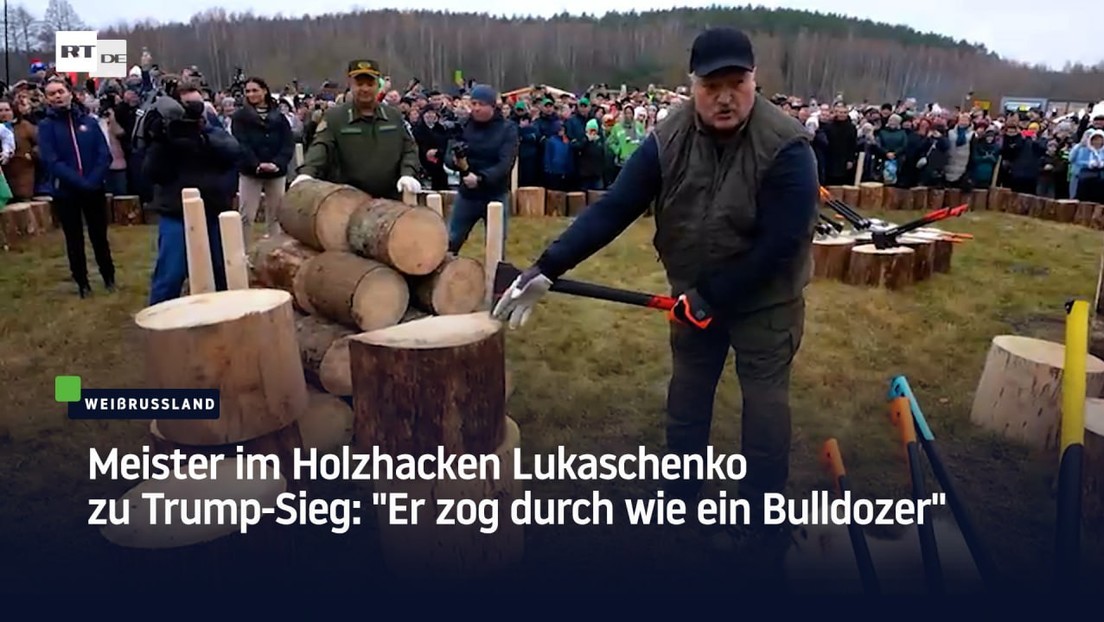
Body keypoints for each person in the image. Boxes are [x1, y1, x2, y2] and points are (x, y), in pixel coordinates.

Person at [493, 27, 818, 552]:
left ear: (755, 82)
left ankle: (761, 514)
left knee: (764, 406)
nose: (725, 96)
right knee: (687, 396)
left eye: (738, 82)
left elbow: (783, 243)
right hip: (692, 297)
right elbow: (618, 206)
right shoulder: (667, 139)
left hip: (766, 300)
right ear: (693, 86)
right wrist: (548, 266)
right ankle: (681, 498)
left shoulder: (788, 147)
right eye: (713, 85)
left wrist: (716, 295)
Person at [144, 80, 240, 305]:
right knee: (170, 275)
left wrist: (201, 136)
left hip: (214, 210)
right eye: (187, 104)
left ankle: (226, 318)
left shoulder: (212, 132)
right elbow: (152, 173)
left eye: (198, 104)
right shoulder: (165, 137)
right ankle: (160, 322)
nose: (193, 110)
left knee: (222, 270)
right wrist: (163, 140)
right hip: (177, 213)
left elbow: (233, 153)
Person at [293, 59, 421, 200]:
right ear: (350, 84)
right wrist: (307, 173)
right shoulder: (335, 117)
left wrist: (408, 174)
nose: (365, 89)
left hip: (390, 199)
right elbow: (321, 147)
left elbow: (409, 148)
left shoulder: (393, 116)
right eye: (359, 84)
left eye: (370, 84)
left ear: (378, 85)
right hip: (346, 201)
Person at [37, 77, 116, 298]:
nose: (57, 96)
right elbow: (51, 161)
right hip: (67, 191)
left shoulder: (89, 122)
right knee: (74, 239)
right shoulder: (46, 127)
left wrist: (93, 181)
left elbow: (104, 154)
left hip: (94, 188)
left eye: (60, 91)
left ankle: (109, 277)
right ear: (47, 99)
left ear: (70, 93)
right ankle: (82, 282)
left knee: (99, 235)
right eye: (51, 93)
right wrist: (80, 183)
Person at [442, 84, 518, 254]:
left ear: (492, 106)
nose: (476, 108)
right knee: (451, 240)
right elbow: (448, 156)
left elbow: (505, 164)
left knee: (496, 245)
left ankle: (495, 278)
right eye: (473, 103)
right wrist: (456, 162)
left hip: (495, 195)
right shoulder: (463, 126)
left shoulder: (507, 129)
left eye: (481, 104)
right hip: (467, 196)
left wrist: (480, 178)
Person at [232, 77, 294, 244]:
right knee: (246, 216)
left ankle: (275, 251)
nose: (251, 94)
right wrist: (256, 164)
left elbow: (287, 143)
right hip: (250, 172)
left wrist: (277, 163)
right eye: (248, 91)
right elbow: (241, 143)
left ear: (264, 91)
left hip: (276, 172)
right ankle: (242, 253)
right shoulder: (240, 117)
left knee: (276, 216)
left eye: (255, 90)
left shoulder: (279, 117)